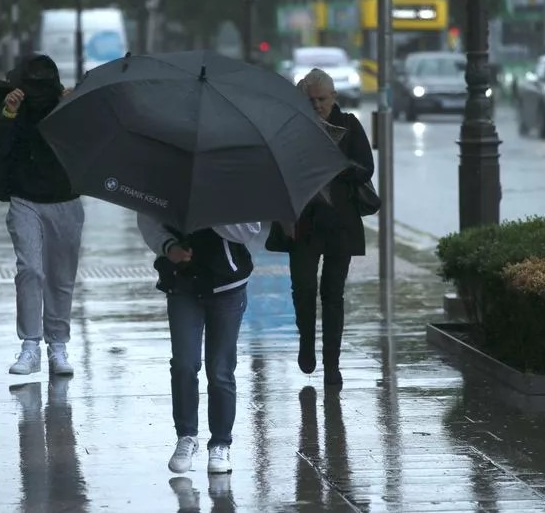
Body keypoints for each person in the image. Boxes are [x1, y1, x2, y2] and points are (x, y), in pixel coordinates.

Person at [272, 68, 374, 387]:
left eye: (321, 99)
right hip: (302, 224)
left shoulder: (350, 126)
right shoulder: (291, 126)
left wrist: (335, 168)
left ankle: (332, 363)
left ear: (334, 98)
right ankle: (306, 342)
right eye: (310, 99)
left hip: (340, 224)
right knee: (303, 288)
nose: (316, 105)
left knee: (333, 294)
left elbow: (365, 168)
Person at [137, 214, 260, 474]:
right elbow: (149, 217)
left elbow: (250, 229)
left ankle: (220, 444)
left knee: (220, 370)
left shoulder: (235, 175)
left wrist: (208, 214)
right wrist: (168, 247)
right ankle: (186, 437)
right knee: (184, 363)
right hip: (182, 283)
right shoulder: (165, 175)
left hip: (228, 283)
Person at [0, 54, 84, 375]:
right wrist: (9, 112)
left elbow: (86, 142)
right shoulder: (11, 105)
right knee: (29, 270)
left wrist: (73, 108)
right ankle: (30, 345)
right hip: (24, 199)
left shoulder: (65, 104)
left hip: (65, 200)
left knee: (61, 277)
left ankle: (58, 345)